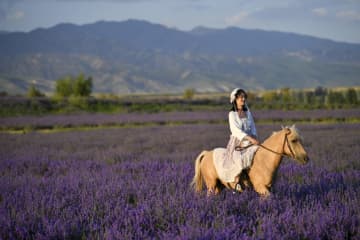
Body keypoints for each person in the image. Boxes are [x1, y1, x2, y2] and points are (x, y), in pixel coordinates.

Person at [223, 88, 259, 192]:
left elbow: (252, 126)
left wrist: (255, 136)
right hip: (238, 140)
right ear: (235, 99)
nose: (243, 99)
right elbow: (235, 130)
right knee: (238, 158)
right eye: (240, 97)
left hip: (251, 139)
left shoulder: (247, 112)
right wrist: (249, 138)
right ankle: (237, 181)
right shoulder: (232, 114)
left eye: (244, 97)